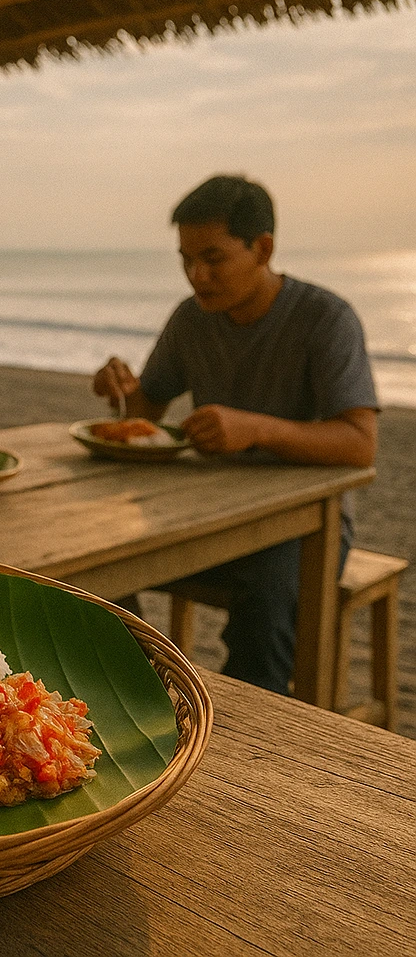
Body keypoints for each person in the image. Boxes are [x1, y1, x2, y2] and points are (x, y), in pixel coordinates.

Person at [92, 174, 378, 695]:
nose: (196, 275)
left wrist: (256, 429)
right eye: (185, 259)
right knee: (98, 564)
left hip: (305, 527)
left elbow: (360, 443)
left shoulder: (326, 318)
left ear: (262, 248)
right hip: (206, 511)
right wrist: (118, 386)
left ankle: (254, 742)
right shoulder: (192, 318)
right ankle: (146, 696)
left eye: (213, 258)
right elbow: (143, 412)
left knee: (265, 611)